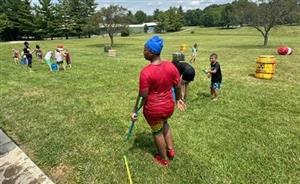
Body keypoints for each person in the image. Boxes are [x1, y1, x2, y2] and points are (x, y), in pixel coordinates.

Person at [131, 36, 186, 167]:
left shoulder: (146, 72)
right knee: (165, 123)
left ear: (151, 52)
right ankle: (170, 150)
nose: (143, 52)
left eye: (145, 50)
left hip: (153, 110)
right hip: (168, 107)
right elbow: (178, 85)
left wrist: (134, 111)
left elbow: (143, 96)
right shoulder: (171, 66)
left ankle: (164, 159)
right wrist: (178, 99)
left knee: (157, 131)